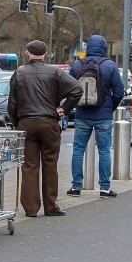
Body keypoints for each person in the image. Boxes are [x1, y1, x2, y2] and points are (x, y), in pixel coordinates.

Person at [8, 40, 82, 217]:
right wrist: (64, 109)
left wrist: (16, 123)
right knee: (50, 164)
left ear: (27, 53)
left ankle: (31, 208)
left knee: (29, 165)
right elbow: (77, 89)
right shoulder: (55, 72)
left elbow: (12, 104)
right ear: (45, 54)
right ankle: (51, 206)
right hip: (49, 122)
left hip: (26, 122)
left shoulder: (19, 73)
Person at [68, 35, 124, 198]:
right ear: (104, 47)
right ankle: (105, 188)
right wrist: (110, 108)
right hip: (103, 115)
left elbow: (70, 89)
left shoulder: (78, 65)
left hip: (82, 114)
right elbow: (119, 91)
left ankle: (76, 186)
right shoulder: (110, 65)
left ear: (88, 47)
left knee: (78, 150)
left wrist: (76, 105)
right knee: (104, 151)